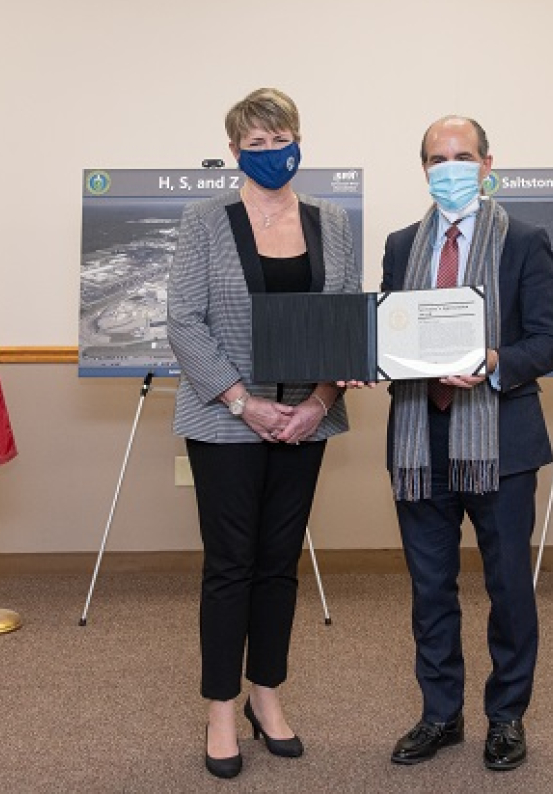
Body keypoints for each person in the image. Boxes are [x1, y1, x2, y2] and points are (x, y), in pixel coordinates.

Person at [167, 87, 359, 780]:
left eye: (283, 141)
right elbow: (185, 321)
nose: (273, 154)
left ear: (298, 140)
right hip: (226, 422)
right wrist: (247, 404)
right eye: (257, 145)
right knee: (230, 567)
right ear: (235, 152)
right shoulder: (203, 220)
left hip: (306, 421)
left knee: (279, 564)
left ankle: (266, 696)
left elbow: (343, 319)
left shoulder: (332, 220)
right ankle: (221, 706)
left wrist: (316, 402)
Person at [381, 115, 553, 772]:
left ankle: (507, 716)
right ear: (424, 168)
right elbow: (392, 331)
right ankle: (441, 715)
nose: (450, 167)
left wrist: (492, 359)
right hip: (417, 438)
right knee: (430, 590)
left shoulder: (525, 241)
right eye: (438, 158)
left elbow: (549, 341)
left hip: (500, 441)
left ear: (488, 164)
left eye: (463, 156)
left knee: (509, 585)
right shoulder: (402, 244)